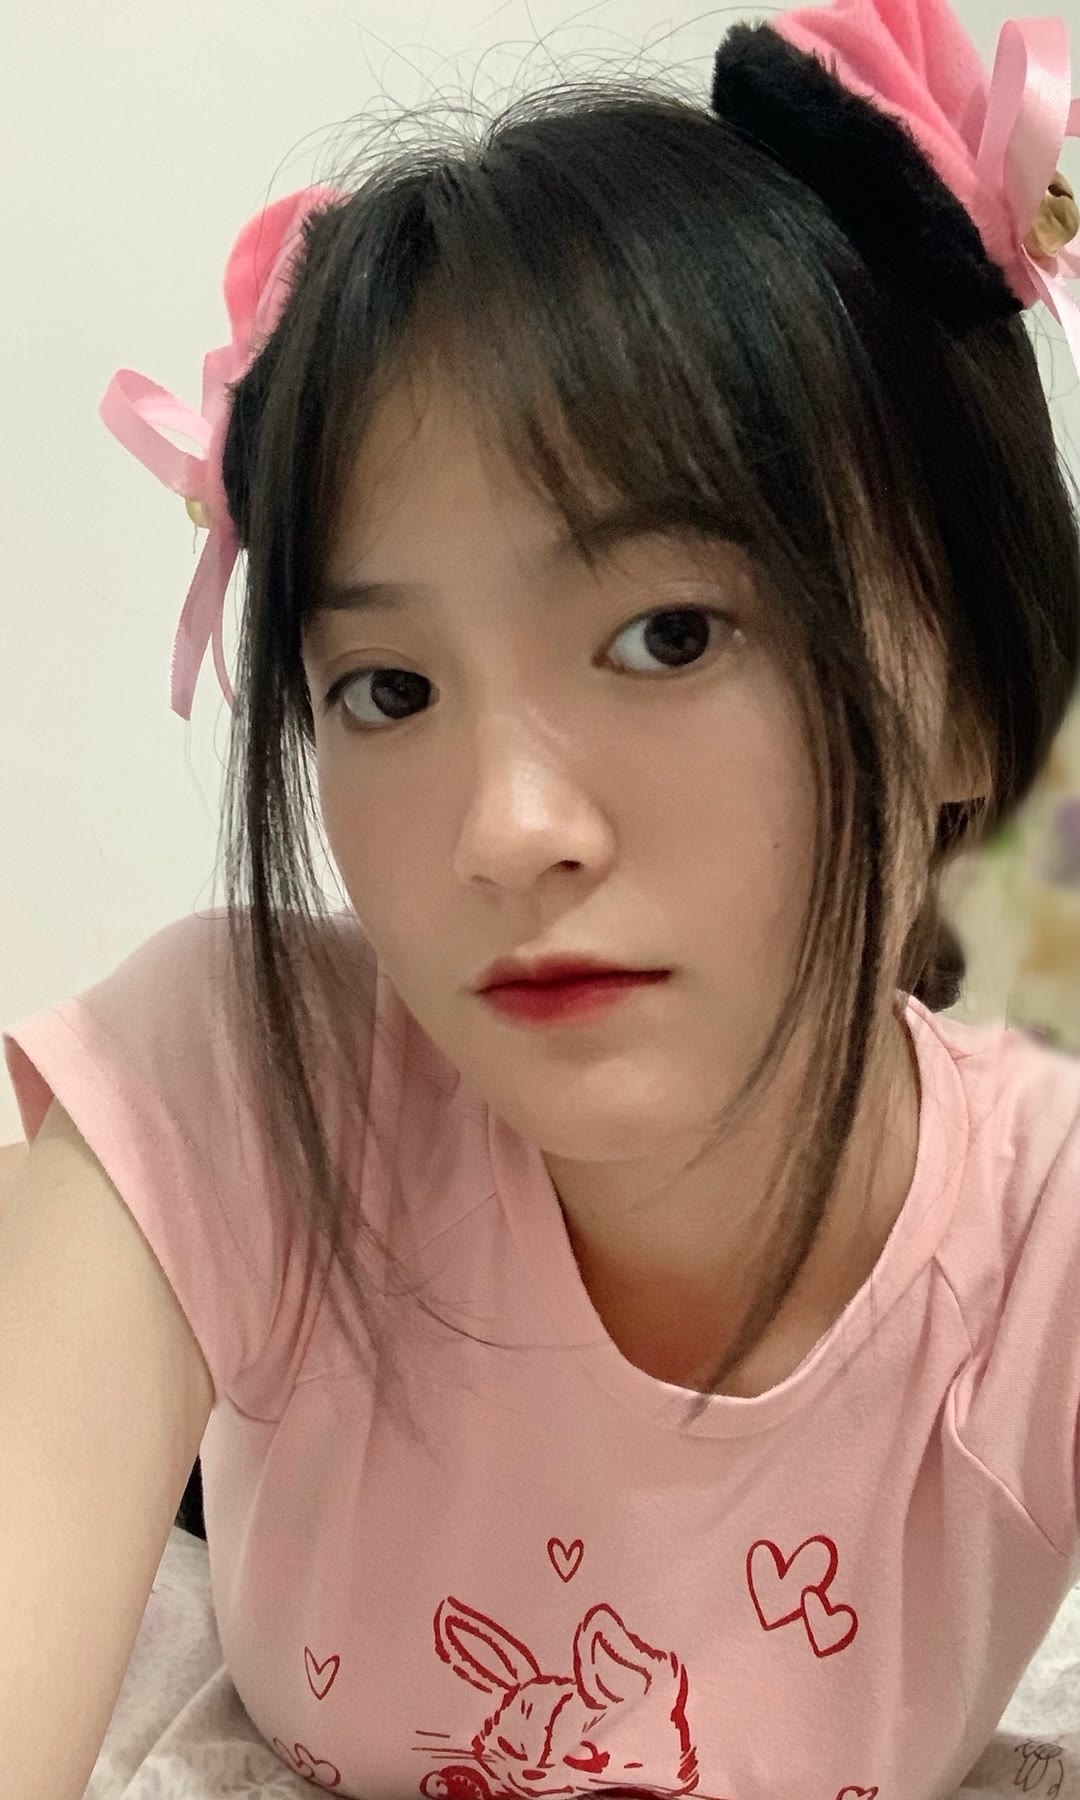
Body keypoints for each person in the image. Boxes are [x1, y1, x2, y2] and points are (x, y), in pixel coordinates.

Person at [3, 0, 1080, 1795]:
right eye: (388, 690)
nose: (505, 832)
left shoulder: (1042, 1238)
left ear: (966, 681)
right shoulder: (243, 1075)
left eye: (670, 635)